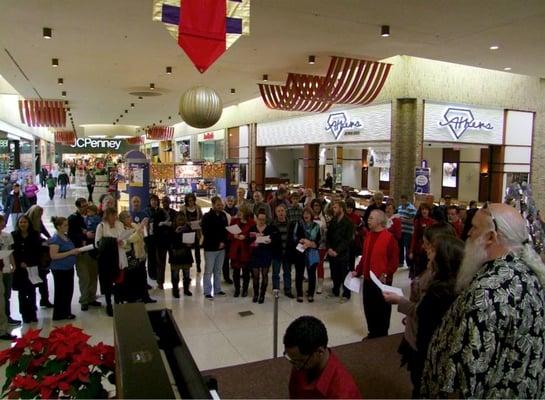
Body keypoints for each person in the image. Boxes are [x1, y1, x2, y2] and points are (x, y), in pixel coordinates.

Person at [421, 203, 545, 398]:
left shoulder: (487, 291)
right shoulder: (528, 272)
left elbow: (469, 370)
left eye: (475, 227)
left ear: (491, 237)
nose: (469, 233)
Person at [383, 222, 456, 396]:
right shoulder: (433, 267)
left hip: (422, 338)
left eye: (427, 244)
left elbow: (424, 311)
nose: (423, 247)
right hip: (415, 330)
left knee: (422, 382)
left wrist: (400, 301)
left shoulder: (439, 280)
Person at [409, 235, 464, 397]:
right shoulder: (441, 282)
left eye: (432, 251)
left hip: (429, 350)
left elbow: (425, 316)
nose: (427, 253)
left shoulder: (440, 291)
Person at [283, 316, 361, 399]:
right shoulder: (301, 363)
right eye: (292, 360)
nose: (295, 366)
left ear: (319, 352)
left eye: (300, 361)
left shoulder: (342, 392)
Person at [353, 210, 399, 339]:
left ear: (379, 221)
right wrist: (358, 270)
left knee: (382, 310)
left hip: (382, 282)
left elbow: (394, 261)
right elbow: (364, 257)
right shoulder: (368, 235)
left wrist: (386, 273)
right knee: (369, 308)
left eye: (371, 218)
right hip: (368, 280)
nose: (368, 220)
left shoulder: (390, 238)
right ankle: (372, 333)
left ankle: (382, 335)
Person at [67, 198, 100, 312]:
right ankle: (84, 300)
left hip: (93, 251)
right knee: (84, 277)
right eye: (83, 206)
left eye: (86, 205)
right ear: (78, 207)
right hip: (81, 251)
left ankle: (92, 297)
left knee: (93, 275)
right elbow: (71, 234)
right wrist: (85, 236)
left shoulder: (94, 217)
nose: (85, 208)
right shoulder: (73, 219)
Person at [95, 207, 128, 316]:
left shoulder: (119, 224)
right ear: (107, 216)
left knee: (119, 281)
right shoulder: (101, 226)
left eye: (115, 215)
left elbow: (124, 238)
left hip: (119, 256)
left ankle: (118, 302)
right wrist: (113, 242)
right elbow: (97, 243)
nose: (114, 218)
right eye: (112, 215)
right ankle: (109, 304)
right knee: (108, 283)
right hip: (108, 259)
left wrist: (123, 242)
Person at [118, 211, 155, 304]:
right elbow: (129, 240)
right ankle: (133, 298)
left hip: (140, 254)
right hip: (131, 256)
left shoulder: (134, 225)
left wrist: (143, 228)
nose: (130, 218)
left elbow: (142, 235)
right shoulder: (122, 229)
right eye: (127, 217)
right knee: (132, 278)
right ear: (122, 220)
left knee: (143, 276)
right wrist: (140, 230)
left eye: (130, 216)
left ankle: (145, 297)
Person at [11, 215, 42, 323]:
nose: (23, 224)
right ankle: (24, 314)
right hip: (20, 269)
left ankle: (32, 313)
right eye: (21, 222)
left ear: (29, 223)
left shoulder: (35, 234)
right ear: (18, 224)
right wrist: (20, 262)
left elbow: (37, 251)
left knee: (32, 291)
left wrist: (28, 262)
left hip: (32, 267)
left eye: (25, 222)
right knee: (22, 293)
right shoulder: (14, 235)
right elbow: (13, 252)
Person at [48, 217, 79, 321]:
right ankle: (59, 314)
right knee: (61, 291)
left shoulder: (66, 237)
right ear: (58, 227)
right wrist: (70, 252)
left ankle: (66, 311)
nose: (67, 227)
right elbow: (54, 255)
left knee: (68, 291)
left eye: (67, 225)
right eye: (65, 225)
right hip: (59, 269)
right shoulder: (56, 239)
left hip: (68, 268)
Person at [25, 205, 53, 309]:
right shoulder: (27, 222)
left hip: (40, 255)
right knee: (33, 279)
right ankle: (35, 302)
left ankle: (44, 299)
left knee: (43, 278)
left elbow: (44, 230)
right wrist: (43, 241)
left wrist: (49, 238)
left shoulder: (38, 221)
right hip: (32, 255)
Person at [326, 200, 354, 301]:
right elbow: (328, 236)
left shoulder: (349, 222)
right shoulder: (333, 220)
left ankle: (346, 294)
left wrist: (337, 251)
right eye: (333, 207)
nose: (333, 209)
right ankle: (335, 290)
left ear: (341, 209)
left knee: (344, 275)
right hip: (332, 251)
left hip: (342, 253)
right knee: (334, 273)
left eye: (335, 207)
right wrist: (329, 248)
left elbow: (347, 240)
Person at [201, 196, 228, 299]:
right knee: (208, 270)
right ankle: (207, 291)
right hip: (210, 248)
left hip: (222, 248)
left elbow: (225, 230)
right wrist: (218, 242)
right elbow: (206, 232)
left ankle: (217, 289)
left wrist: (223, 242)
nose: (220, 206)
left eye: (221, 204)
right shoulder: (207, 217)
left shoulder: (223, 215)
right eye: (218, 205)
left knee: (218, 270)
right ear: (213, 205)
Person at [292, 208, 321, 303]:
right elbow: (295, 237)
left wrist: (310, 243)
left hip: (312, 252)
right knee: (299, 273)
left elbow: (319, 240)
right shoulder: (299, 224)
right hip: (300, 252)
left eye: (308, 213)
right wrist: (303, 241)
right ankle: (299, 294)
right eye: (304, 213)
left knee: (312, 274)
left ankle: (310, 294)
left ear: (311, 215)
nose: (306, 215)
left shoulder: (316, 226)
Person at [228, 206, 255, 297]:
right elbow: (229, 234)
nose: (239, 213)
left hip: (246, 250)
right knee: (235, 272)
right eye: (239, 211)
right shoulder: (234, 221)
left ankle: (245, 290)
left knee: (246, 272)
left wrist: (246, 237)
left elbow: (254, 237)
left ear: (246, 213)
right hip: (236, 250)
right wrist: (233, 236)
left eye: (241, 211)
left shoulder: (252, 223)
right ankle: (237, 289)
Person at [248, 209, 274, 303]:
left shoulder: (269, 228)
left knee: (264, 275)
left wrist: (269, 241)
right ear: (256, 219)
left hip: (266, 254)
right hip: (255, 254)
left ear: (265, 219)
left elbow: (273, 241)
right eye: (259, 219)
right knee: (255, 275)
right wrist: (256, 241)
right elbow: (248, 242)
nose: (261, 221)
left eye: (263, 219)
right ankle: (255, 294)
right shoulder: (252, 228)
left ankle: (262, 295)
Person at [145, 194, 168, 286]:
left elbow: (167, 218)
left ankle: (158, 275)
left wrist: (163, 223)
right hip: (150, 237)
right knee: (151, 256)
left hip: (160, 236)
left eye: (155, 200)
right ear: (150, 202)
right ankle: (151, 274)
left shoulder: (161, 210)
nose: (154, 202)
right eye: (152, 200)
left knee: (159, 257)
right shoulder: (146, 211)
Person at [271, 204, 294, 298]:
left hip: (287, 253)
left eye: (282, 211)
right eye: (278, 211)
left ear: (285, 212)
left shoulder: (291, 224)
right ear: (276, 213)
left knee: (287, 272)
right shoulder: (272, 225)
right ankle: (276, 290)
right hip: (277, 253)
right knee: (275, 273)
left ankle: (288, 289)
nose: (281, 213)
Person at [0, 214, 19, 327]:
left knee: (7, 294)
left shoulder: (7, 236)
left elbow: (10, 251)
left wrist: (13, 265)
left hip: (7, 268)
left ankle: (7, 316)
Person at [169, 212, 194, 297]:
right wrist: (176, 233)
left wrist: (191, 244)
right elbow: (169, 242)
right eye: (179, 219)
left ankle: (186, 289)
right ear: (175, 220)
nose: (181, 221)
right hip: (175, 255)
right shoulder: (171, 228)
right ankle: (175, 290)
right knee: (175, 275)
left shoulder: (188, 228)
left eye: (183, 219)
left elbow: (193, 240)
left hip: (186, 254)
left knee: (186, 274)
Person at [179, 193, 203, 273]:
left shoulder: (198, 207)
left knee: (197, 250)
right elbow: (179, 219)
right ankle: (187, 267)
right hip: (187, 232)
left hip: (196, 231)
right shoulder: (183, 208)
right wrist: (186, 223)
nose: (191, 202)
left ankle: (198, 265)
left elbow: (202, 218)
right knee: (187, 250)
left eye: (192, 200)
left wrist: (199, 222)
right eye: (189, 201)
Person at [409, 203, 434, 279]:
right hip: (418, 249)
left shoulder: (432, 221)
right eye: (422, 209)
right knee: (417, 270)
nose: (424, 211)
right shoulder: (417, 221)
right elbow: (414, 236)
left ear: (429, 211)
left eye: (426, 209)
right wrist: (411, 251)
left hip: (428, 249)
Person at [156, 196, 176, 289]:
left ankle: (174, 280)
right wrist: (162, 224)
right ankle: (160, 282)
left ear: (169, 202)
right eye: (163, 202)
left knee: (174, 261)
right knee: (161, 262)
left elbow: (176, 224)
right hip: (161, 240)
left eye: (167, 202)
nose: (165, 204)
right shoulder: (158, 212)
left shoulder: (174, 213)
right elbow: (155, 225)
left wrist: (171, 224)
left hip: (172, 240)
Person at [310, 199, 328, 294]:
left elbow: (327, 231)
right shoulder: (310, 216)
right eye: (314, 205)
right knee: (312, 264)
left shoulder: (325, 217)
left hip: (322, 245)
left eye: (318, 205)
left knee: (320, 264)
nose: (316, 207)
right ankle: (312, 283)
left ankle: (320, 284)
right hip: (312, 245)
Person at [397, 195, 417, 270]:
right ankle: (400, 262)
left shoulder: (411, 209)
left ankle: (409, 263)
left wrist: (404, 220)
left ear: (406, 200)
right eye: (401, 201)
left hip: (408, 231)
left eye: (403, 201)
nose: (402, 202)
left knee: (408, 247)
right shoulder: (399, 208)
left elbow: (414, 220)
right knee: (400, 246)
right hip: (401, 230)